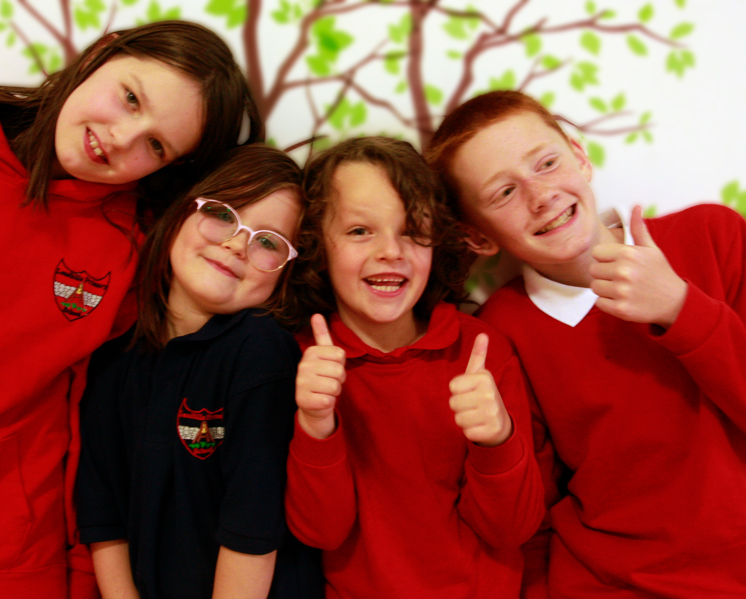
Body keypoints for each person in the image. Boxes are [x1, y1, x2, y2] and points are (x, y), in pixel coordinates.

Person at [0, 21, 261, 599]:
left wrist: (80, 574)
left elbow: (93, 423)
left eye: (156, 146)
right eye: (131, 97)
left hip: (9, 556)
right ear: (99, 54)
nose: (122, 139)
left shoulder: (129, 245)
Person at [425, 89, 746, 597]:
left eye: (547, 163)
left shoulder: (712, 236)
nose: (540, 195)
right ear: (478, 238)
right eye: (503, 193)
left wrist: (681, 309)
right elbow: (525, 520)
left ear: (579, 156)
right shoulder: (502, 331)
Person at [282, 136, 544, 597]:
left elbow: (512, 529)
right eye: (360, 231)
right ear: (317, 246)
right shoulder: (302, 364)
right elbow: (319, 532)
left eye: (411, 230)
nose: (391, 251)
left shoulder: (481, 351)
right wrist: (316, 423)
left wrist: (496, 439)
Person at [75, 143, 323, 599]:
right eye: (223, 213)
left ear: (285, 274)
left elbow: (253, 526)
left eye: (267, 241)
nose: (235, 244)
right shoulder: (111, 356)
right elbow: (103, 514)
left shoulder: (261, 353)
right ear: (181, 212)